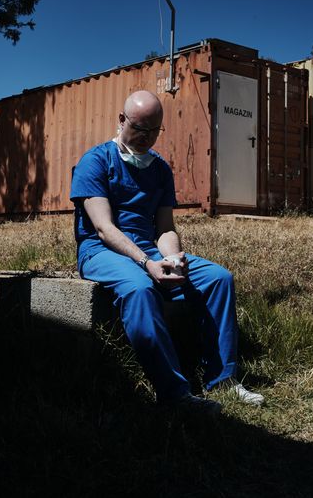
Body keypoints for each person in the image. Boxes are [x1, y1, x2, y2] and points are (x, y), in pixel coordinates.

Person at [69, 90, 264, 414]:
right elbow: (104, 228)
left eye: (153, 131)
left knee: (218, 279)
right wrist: (147, 262)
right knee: (139, 288)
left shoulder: (159, 168)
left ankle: (224, 380)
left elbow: (164, 228)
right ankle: (175, 394)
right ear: (121, 120)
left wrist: (172, 258)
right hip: (101, 251)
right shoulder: (96, 161)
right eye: (139, 128)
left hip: (146, 248)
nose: (146, 138)